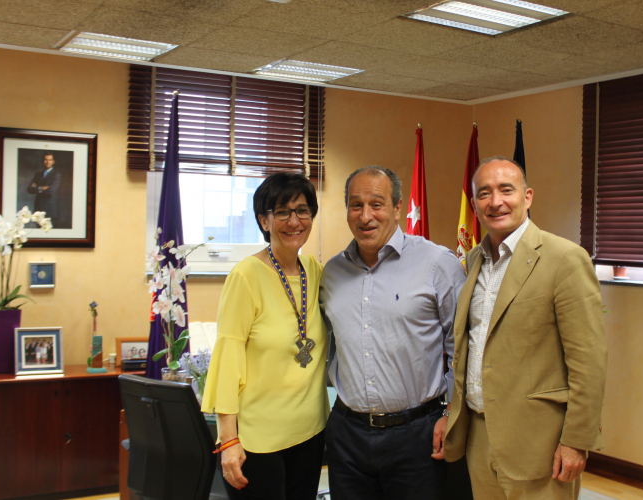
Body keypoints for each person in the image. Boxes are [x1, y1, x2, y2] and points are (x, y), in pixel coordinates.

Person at [444, 157, 608, 500]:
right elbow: (471, 347)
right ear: (474, 204)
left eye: (507, 190)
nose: (496, 201)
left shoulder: (565, 258)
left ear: (528, 197)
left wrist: (576, 442)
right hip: (479, 436)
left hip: (540, 444)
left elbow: (589, 361)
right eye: (484, 194)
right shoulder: (474, 260)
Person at [320, 165, 466, 500]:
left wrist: (452, 414)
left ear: (398, 208)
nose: (365, 215)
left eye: (377, 203)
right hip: (348, 436)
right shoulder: (332, 272)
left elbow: (462, 346)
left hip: (417, 435)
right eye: (356, 205)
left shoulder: (436, 263)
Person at [202, 172, 328, 500]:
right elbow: (227, 359)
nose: (294, 221)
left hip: (310, 432)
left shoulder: (314, 271)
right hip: (258, 441)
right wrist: (228, 440)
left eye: (303, 210)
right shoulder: (246, 276)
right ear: (264, 220)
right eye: (282, 212)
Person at [27, 152, 62, 220]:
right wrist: (41, 188)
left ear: (53, 161)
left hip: (50, 210)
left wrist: (37, 188)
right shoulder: (38, 175)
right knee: (38, 230)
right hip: (38, 209)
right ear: (43, 161)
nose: (47, 162)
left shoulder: (57, 175)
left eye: (50, 160)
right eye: (46, 160)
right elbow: (29, 189)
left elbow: (51, 191)